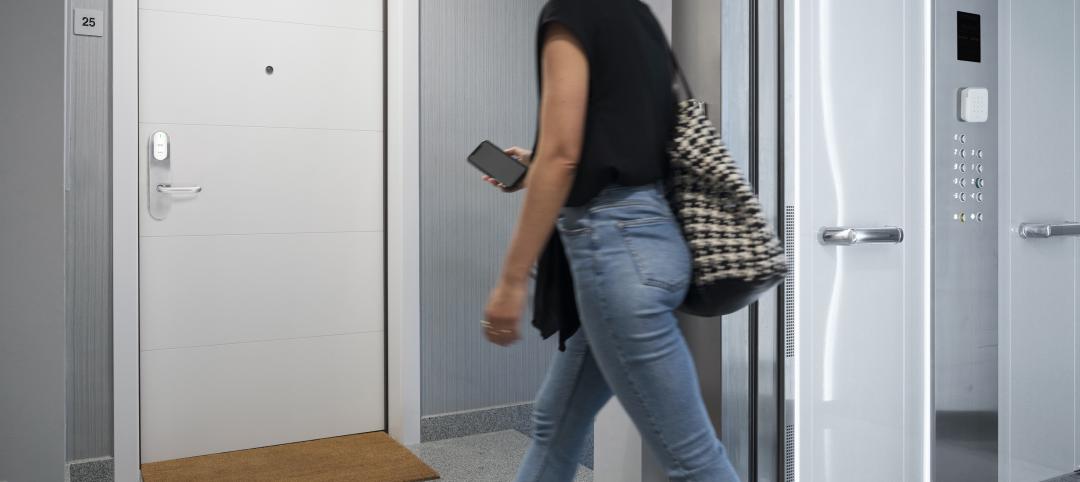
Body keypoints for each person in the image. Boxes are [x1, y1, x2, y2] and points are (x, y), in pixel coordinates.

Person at [479, 1, 741, 481]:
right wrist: (536, 166)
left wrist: (512, 280)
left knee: (693, 460)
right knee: (554, 426)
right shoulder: (635, 14)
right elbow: (624, 137)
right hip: (649, 240)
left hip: (614, 253)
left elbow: (564, 157)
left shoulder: (571, 9)